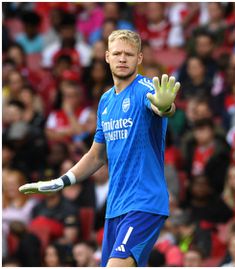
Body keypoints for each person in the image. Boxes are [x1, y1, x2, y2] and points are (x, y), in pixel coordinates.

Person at [19, 29, 181, 267]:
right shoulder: (106, 101)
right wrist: (60, 182)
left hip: (144, 202)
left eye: (129, 54)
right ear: (107, 57)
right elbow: (96, 155)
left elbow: (161, 106)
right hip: (115, 208)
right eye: (117, 53)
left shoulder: (146, 88)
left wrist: (166, 107)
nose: (123, 58)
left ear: (140, 58)